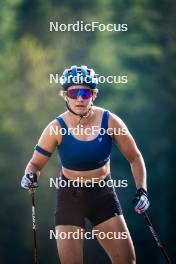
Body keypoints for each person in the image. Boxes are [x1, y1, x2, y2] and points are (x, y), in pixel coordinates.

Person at [21, 65, 149, 264]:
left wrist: (142, 190)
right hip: (69, 197)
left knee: (127, 261)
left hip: (102, 196)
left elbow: (135, 157)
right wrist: (29, 177)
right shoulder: (55, 128)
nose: (79, 98)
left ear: (94, 94)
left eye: (85, 92)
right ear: (65, 95)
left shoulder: (110, 121)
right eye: (73, 92)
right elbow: (34, 165)